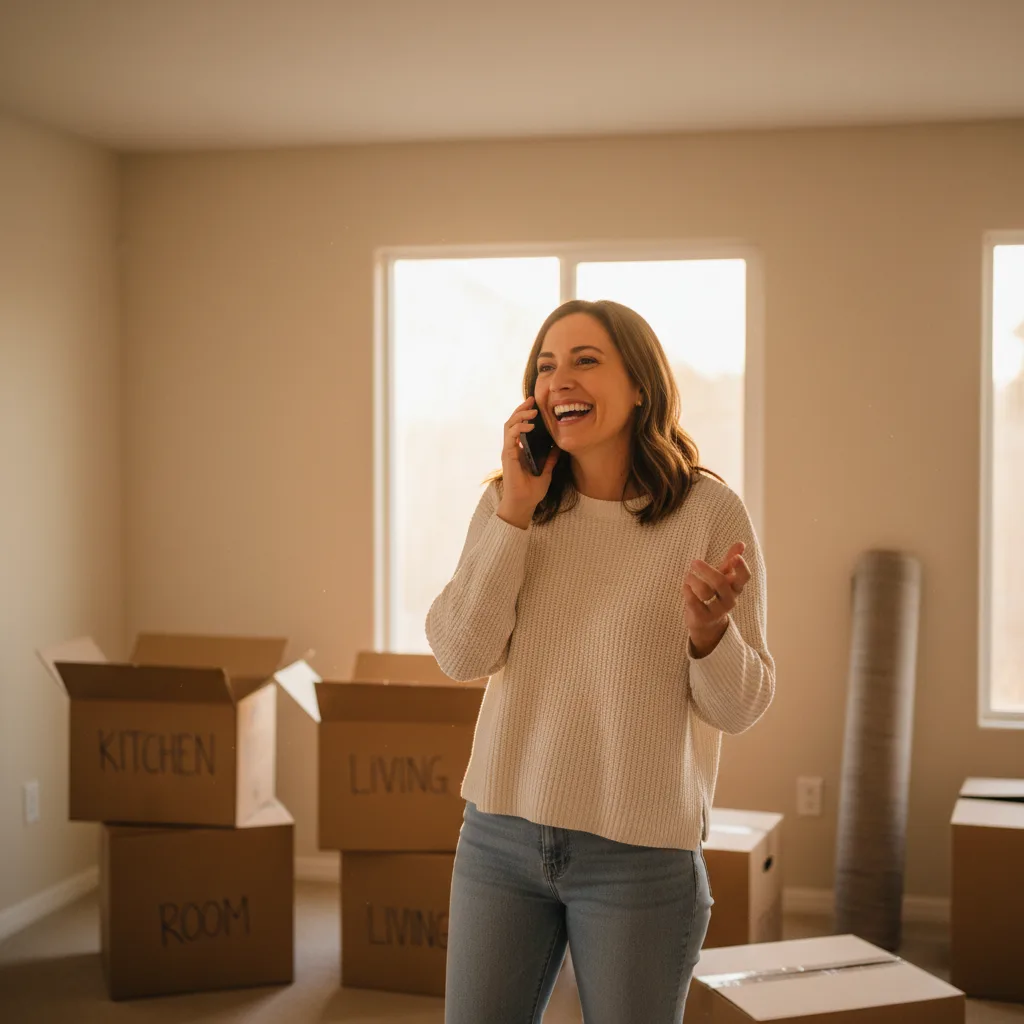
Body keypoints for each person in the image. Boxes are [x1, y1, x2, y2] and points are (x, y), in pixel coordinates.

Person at [426, 299, 775, 1024]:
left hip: (640, 856)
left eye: (586, 360)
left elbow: (740, 707)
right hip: (499, 836)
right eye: (546, 365)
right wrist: (515, 513)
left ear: (640, 384)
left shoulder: (708, 513)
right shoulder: (510, 505)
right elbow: (461, 654)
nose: (560, 380)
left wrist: (711, 637)